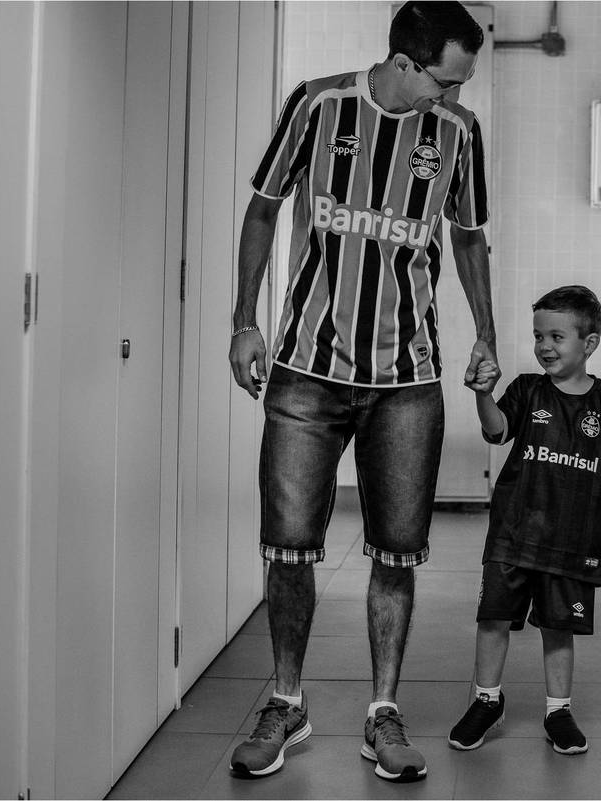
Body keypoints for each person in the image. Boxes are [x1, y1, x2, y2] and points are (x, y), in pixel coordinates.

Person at [226, 1, 496, 783]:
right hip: (306, 370)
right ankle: (286, 700)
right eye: (447, 82)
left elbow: (469, 236)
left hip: (407, 379)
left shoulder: (458, 134)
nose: (455, 96)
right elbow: (265, 206)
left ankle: (383, 710)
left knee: (397, 552)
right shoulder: (318, 103)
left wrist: (485, 332)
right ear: (407, 64)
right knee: (288, 544)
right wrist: (244, 322)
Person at [446, 286, 601, 756]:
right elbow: (497, 430)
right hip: (513, 533)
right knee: (493, 617)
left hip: (572, 540)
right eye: (539, 336)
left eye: (557, 336)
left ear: (589, 343)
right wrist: (483, 395)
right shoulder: (526, 388)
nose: (544, 346)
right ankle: (486, 701)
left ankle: (558, 710)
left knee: (559, 628)